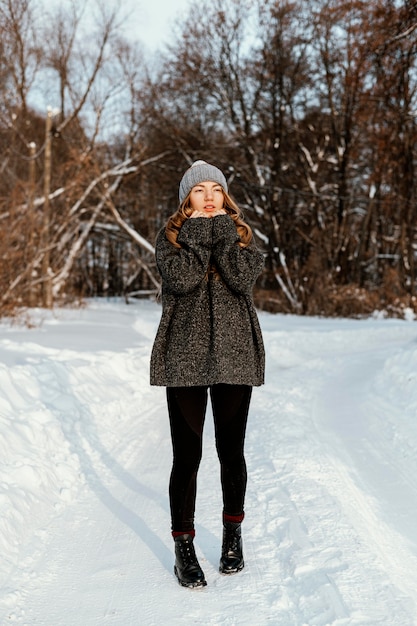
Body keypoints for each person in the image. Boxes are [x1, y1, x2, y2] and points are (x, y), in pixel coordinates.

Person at [150, 160, 265, 589]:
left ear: (225, 196)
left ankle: (233, 536)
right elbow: (183, 279)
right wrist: (200, 234)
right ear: (187, 199)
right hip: (184, 357)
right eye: (200, 191)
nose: (210, 196)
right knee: (188, 455)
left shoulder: (242, 238)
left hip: (234, 355)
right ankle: (184, 546)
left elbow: (239, 277)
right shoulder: (171, 240)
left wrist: (221, 235)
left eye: (216, 188)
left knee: (231, 451)